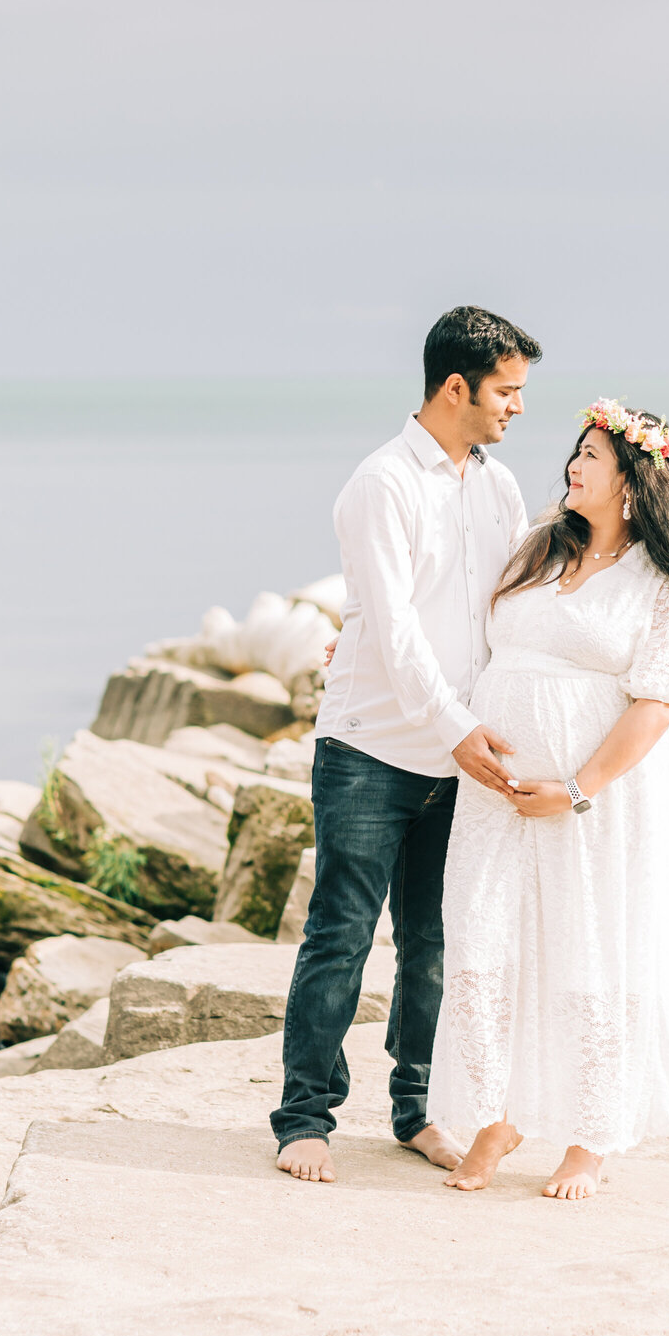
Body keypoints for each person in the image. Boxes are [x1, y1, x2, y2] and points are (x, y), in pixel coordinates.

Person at [429, 398, 669, 1200]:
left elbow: (658, 703)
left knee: (588, 955)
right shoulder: (538, 547)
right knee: (482, 943)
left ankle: (589, 1138)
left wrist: (575, 790)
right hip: (498, 793)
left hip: (590, 803)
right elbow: (468, 629)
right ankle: (500, 1113)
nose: (574, 463)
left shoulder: (658, 583)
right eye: (577, 451)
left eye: (594, 456)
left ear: (634, 480)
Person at [272, 304, 543, 1184]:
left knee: (436, 943)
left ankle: (417, 1110)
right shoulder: (381, 485)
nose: (518, 408)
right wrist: (458, 728)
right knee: (341, 935)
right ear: (455, 386)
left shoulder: (497, 488)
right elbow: (394, 632)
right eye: (507, 391)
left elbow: (510, 609)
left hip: (460, 757)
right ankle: (304, 1120)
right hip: (369, 751)